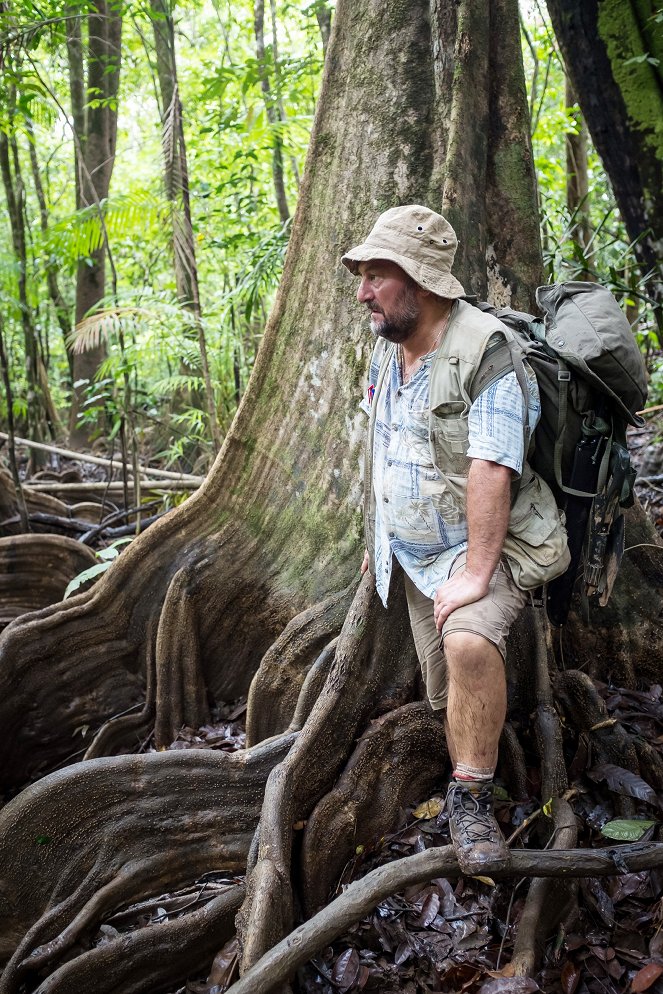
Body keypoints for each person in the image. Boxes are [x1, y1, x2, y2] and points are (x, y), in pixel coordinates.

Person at [342, 205, 570, 874]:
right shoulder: (389, 346)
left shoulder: (484, 349)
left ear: (419, 280)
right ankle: (475, 740)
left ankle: (470, 796)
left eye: (375, 276)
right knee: (445, 696)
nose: (362, 293)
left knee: (467, 640)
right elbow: (383, 443)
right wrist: (376, 535)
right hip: (411, 552)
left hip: (478, 550)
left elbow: (491, 466)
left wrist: (475, 574)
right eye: (362, 276)